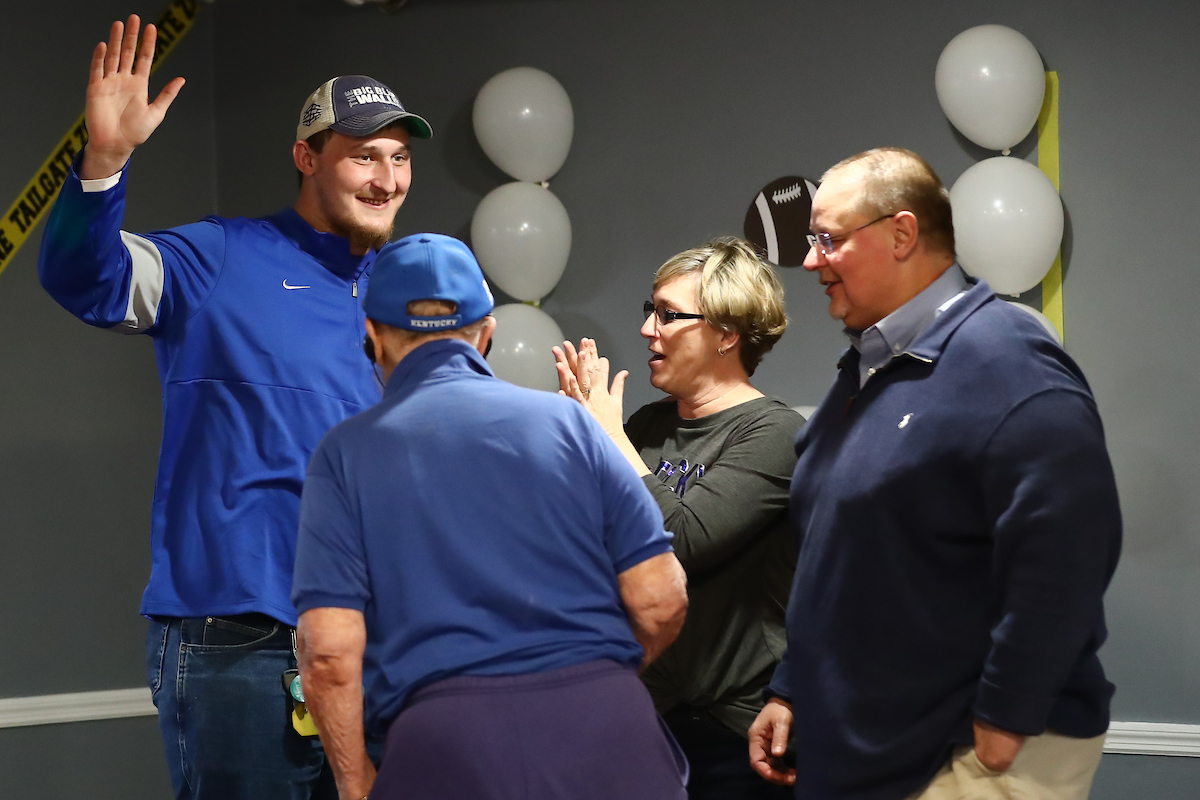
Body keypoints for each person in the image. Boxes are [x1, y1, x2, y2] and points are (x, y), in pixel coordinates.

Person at [37, 15, 432, 799]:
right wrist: (105, 161)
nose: (386, 179)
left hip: (377, 643)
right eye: (362, 157)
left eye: (399, 157)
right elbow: (87, 279)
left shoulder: (408, 297)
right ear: (306, 158)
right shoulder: (219, 255)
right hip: (242, 640)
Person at [748, 147, 1122, 800]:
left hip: (972, 756)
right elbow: (836, 559)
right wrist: (793, 687)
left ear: (901, 233)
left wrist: (1009, 711)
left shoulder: (1007, 361)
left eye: (828, 240)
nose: (810, 261)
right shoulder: (866, 371)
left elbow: (1070, 547)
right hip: (871, 752)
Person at [291, 233, 691, 800]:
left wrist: (356, 787)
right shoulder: (570, 425)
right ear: (487, 335)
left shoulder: (345, 454)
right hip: (611, 735)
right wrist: (588, 681)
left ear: (371, 338)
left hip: (446, 746)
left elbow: (329, 652)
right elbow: (661, 599)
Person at [554, 237, 802, 799]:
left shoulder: (774, 434)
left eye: (669, 315)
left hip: (732, 735)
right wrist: (577, 445)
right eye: (651, 311)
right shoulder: (645, 426)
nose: (648, 329)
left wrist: (609, 437)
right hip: (639, 715)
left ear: (726, 334)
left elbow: (681, 540)